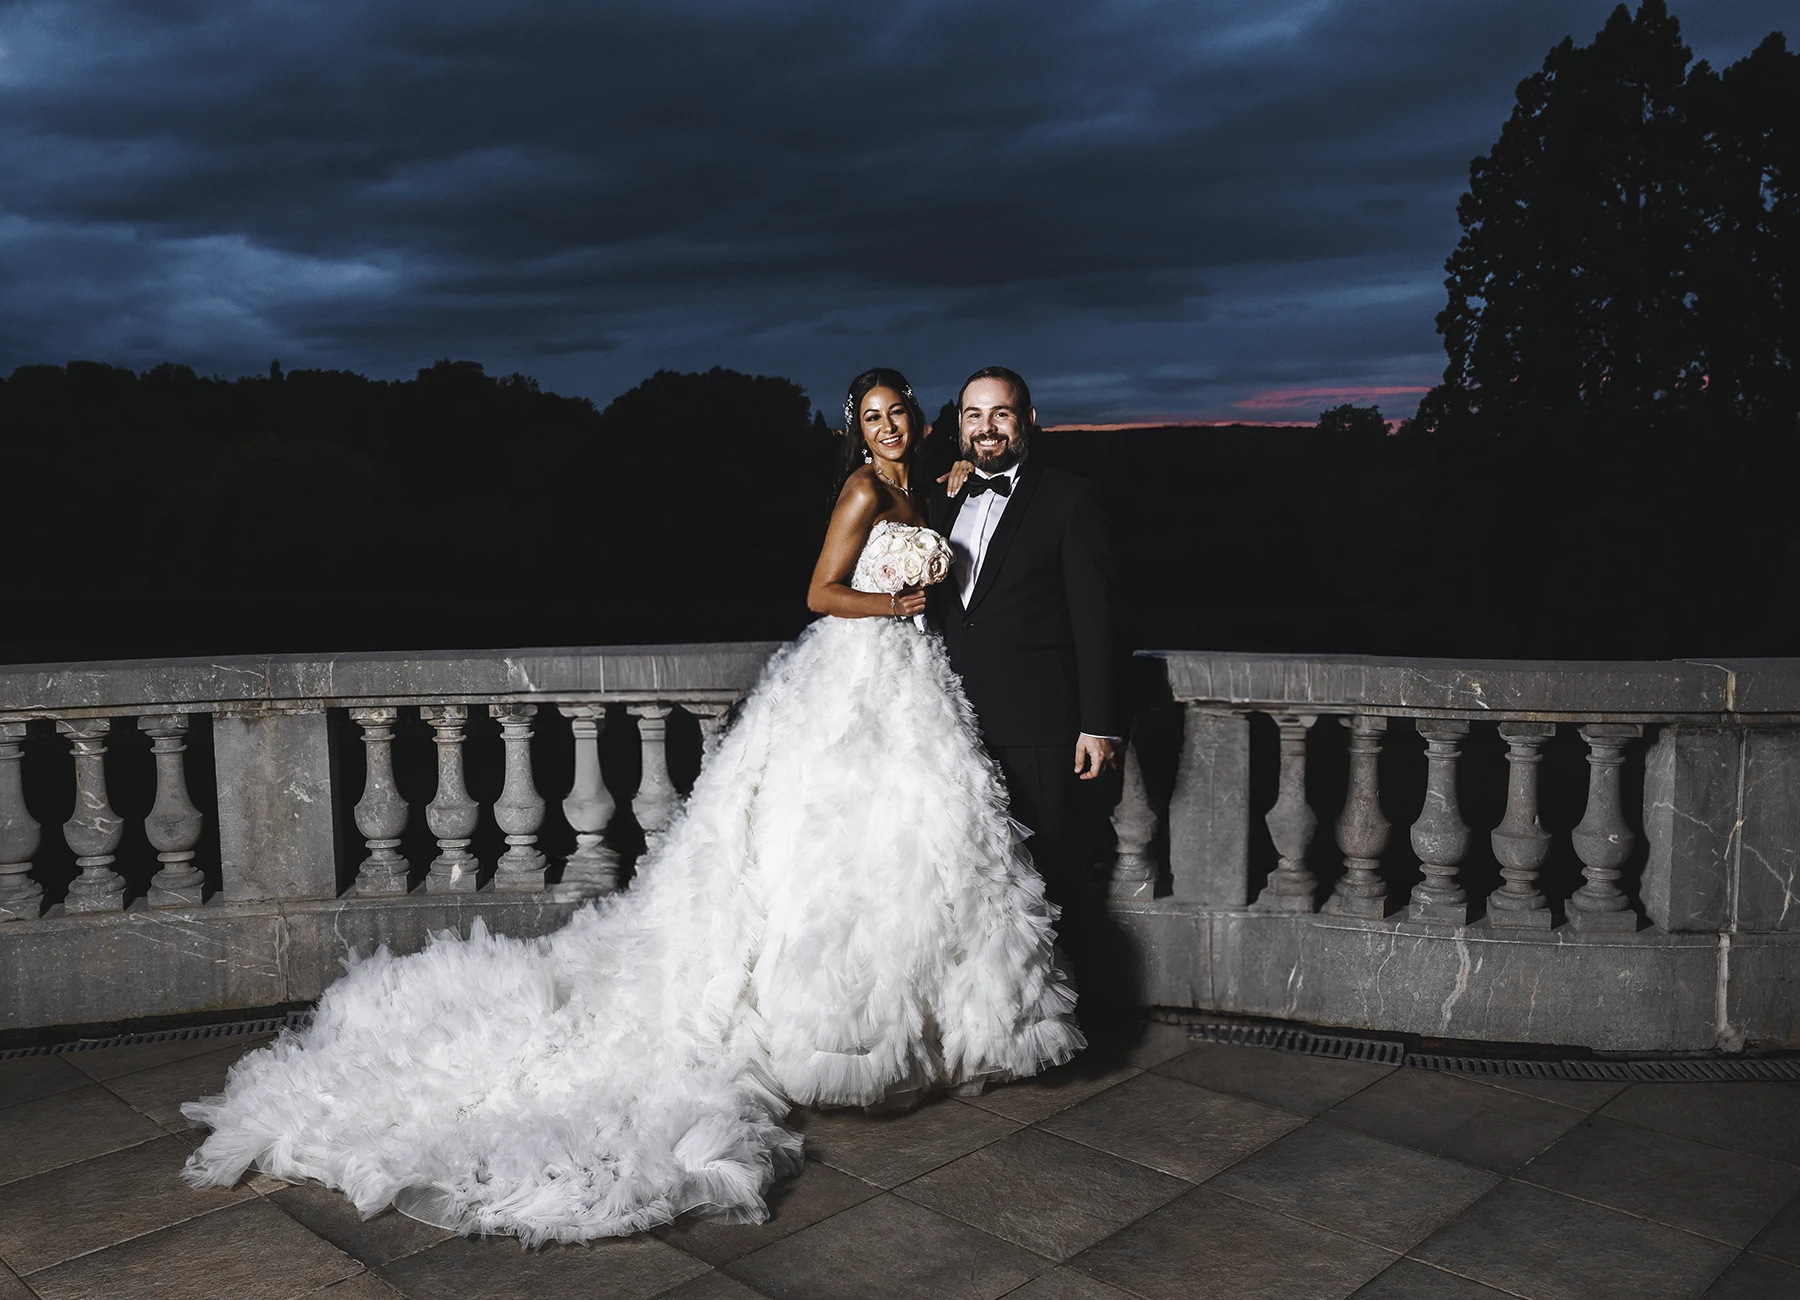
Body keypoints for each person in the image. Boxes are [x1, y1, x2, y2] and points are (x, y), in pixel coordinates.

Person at [180, 367, 1082, 1245]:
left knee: (912, 853)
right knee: (826, 855)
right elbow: (817, 593)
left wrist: (950, 483)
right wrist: (895, 599)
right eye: (874, 416)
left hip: (915, 690)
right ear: (858, 425)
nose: (889, 427)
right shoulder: (858, 491)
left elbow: (957, 509)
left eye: (900, 414)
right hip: (854, 681)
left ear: (921, 422)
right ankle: (825, 1036)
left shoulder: (927, 482)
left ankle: (920, 1034)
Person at [927, 366, 1122, 990]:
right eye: (973, 415)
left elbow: (1098, 619)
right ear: (959, 425)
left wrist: (1098, 724)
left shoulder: (1070, 497)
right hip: (953, 725)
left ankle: (1057, 1019)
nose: (987, 428)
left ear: (1028, 420)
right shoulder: (940, 499)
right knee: (970, 884)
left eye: (1000, 413)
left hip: (1041, 725)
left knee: (1046, 881)